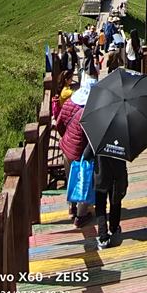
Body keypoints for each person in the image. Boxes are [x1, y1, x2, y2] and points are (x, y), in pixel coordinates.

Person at [56, 79, 97, 227]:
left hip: (66, 147)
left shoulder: (68, 103)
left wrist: (66, 137)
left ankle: (71, 208)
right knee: (84, 183)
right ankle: (80, 216)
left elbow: (59, 124)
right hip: (80, 152)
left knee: (70, 180)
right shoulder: (90, 111)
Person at [83, 145, 128, 249]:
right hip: (118, 176)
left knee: (100, 206)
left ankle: (103, 237)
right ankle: (114, 228)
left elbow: (86, 155)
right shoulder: (122, 138)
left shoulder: (98, 139)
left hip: (101, 177)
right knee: (115, 202)